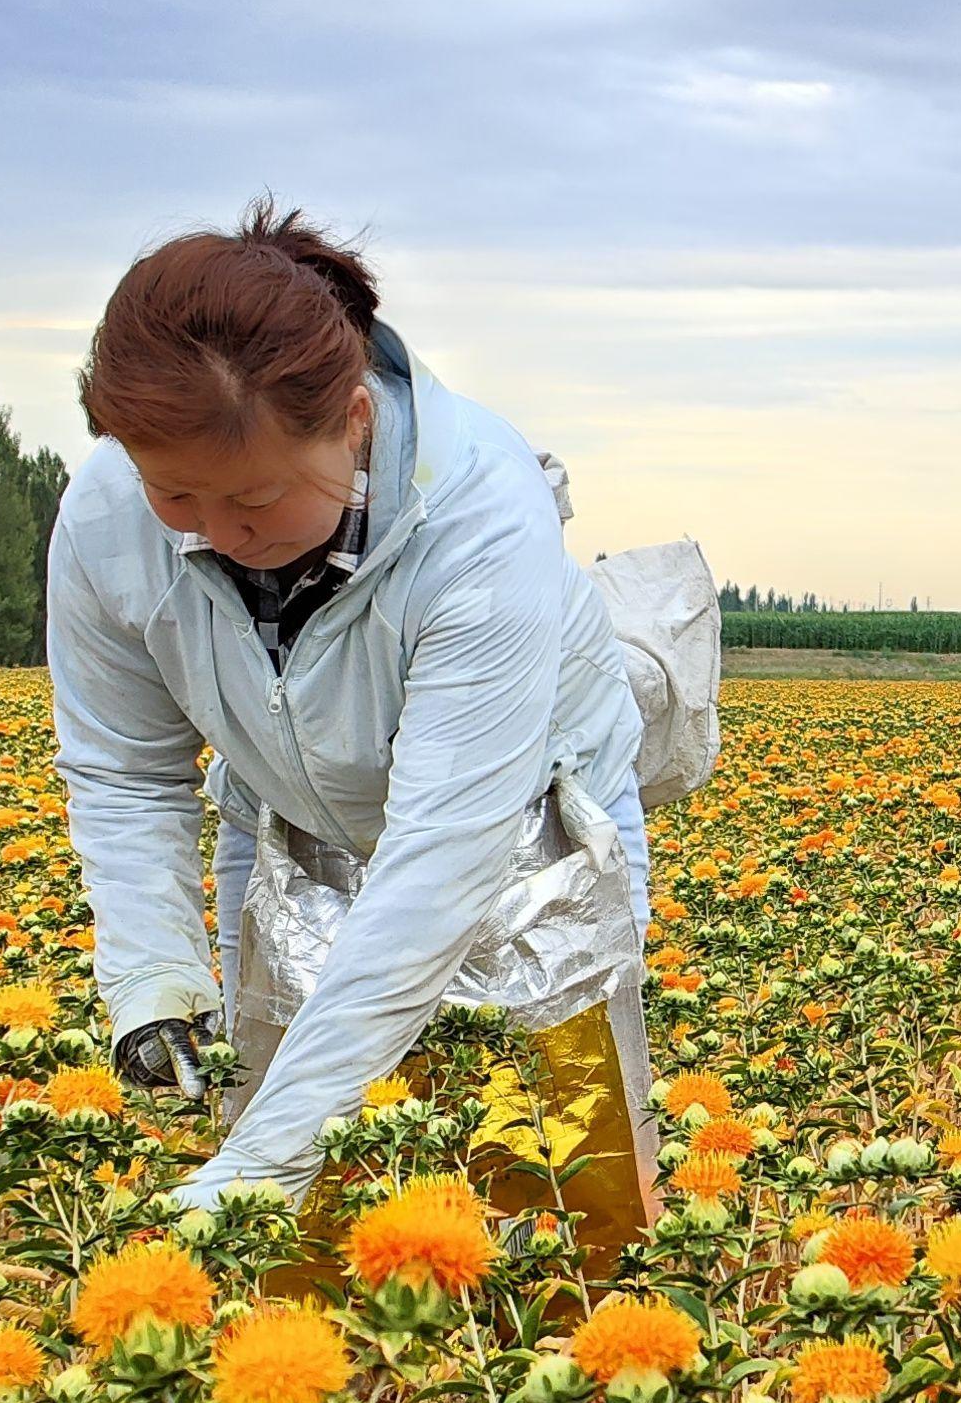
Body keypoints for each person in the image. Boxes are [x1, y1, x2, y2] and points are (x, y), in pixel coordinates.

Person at [46, 201, 658, 1259]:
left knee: (555, 1188)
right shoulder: (106, 520)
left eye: (256, 499)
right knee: (306, 1228)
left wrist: (257, 1160)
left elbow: (438, 862)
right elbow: (123, 768)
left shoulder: (476, 518)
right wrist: (151, 974)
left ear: (355, 424)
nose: (214, 533)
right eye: (172, 490)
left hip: (522, 836)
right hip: (290, 816)